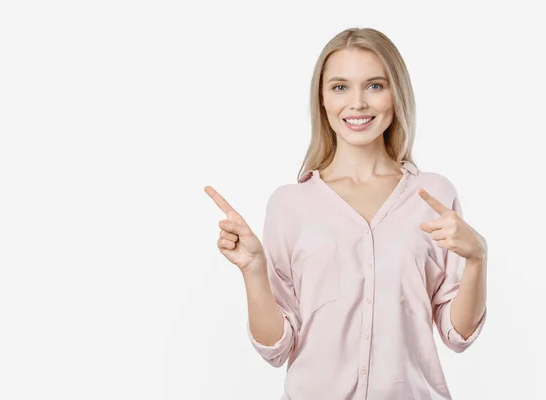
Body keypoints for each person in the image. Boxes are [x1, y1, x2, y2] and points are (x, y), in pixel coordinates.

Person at [204, 27, 487, 400]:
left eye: (374, 85)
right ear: (322, 99)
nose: (357, 103)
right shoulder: (290, 204)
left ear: (396, 94)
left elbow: (458, 335)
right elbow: (276, 347)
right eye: (340, 87)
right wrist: (253, 271)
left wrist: (478, 258)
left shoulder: (434, 194)